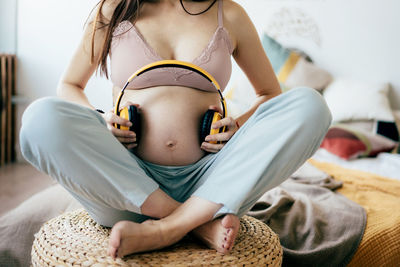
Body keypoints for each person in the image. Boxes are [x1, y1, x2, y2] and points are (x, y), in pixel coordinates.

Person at [19, 0, 332, 260]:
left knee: (309, 105)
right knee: (40, 118)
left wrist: (237, 125)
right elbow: (70, 85)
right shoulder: (114, 9)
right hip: (129, 186)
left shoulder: (229, 13)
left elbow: (270, 94)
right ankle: (195, 224)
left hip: (212, 182)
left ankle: (164, 228)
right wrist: (100, 120)